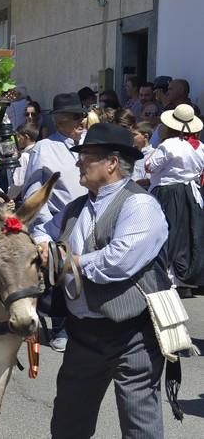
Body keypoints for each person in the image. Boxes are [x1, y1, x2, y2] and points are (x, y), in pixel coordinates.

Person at [35, 122, 169, 439]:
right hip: (83, 333)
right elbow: (42, 231)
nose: (79, 163)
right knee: (68, 424)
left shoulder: (140, 204)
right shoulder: (75, 207)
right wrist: (43, 245)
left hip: (130, 334)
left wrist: (66, 260)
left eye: (87, 157)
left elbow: (116, 262)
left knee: (141, 428)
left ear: (111, 162)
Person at [24, 92, 88, 352]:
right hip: (56, 222)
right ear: (61, 121)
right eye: (76, 118)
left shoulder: (86, 143)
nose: (82, 122)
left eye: (82, 117)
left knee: (82, 274)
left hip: (86, 217)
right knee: (59, 275)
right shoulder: (44, 147)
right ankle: (59, 325)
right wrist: (42, 227)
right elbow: (33, 190)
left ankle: (80, 325)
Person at [145, 104, 204, 297]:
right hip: (190, 192)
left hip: (168, 192)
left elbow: (150, 167)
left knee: (167, 232)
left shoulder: (168, 145)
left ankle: (168, 278)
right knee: (187, 234)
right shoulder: (200, 147)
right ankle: (184, 278)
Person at [8, 123, 39, 200]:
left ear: (26, 137)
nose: (16, 140)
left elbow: (18, 183)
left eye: (18, 137)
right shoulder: (39, 151)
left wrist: (8, 198)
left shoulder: (24, 156)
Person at [131, 121, 154, 186]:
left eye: (135, 135)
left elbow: (149, 180)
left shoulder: (153, 155)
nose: (131, 137)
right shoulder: (131, 152)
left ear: (145, 137)